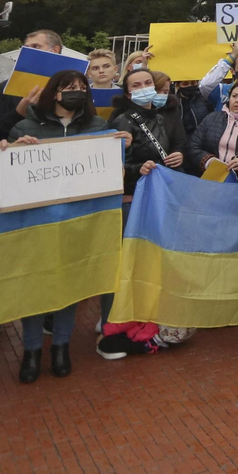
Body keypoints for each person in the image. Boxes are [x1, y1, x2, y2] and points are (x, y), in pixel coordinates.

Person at [7, 71, 113, 383]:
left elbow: (107, 169)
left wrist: (122, 147)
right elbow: (7, 170)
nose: (77, 93)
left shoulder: (99, 127)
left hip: (78, 222)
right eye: (70, 88)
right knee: (35, 287)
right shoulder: (25, 126)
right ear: (54, 93)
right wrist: (11, 148)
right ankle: (31, 350)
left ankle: (61, 347)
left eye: (82, 88)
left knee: (70, 287)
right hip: (35, 223)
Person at [100, 68, 187, 330]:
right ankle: (114, 321)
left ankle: (147, 313)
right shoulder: (123, 121)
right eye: (137, 85)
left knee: (155, 258)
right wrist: (140, 167)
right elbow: (115, 164)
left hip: (163, 196)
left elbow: (180, 143)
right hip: (133, 197)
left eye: (148, 82)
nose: (144, 87)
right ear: (128, 92)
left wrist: (180, 154)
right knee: (127, 261)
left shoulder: (168, 114)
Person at [0, 30, 65, 143]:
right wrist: (17, 113)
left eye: (36, 46)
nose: (30, 51)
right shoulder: (5, 88)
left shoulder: (73, 87)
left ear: (55, 50)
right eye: (26, 48)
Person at [189, 78, 238, 181]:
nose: (237, 100)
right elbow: (193, 146)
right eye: (234, 96)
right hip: (211, 178)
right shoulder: (212, 118)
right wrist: (208, 160)